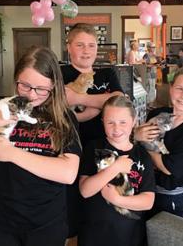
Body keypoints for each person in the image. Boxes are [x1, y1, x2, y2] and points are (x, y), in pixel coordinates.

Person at [0, 46, 82, 246]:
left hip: (45, 222)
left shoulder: (65, 119)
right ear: (16, 81)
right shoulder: (1, 110)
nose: (31, 95)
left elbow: (67, 173)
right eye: (25, 86)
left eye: (41, 89)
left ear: (54, 85)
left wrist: (12, 153)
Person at [61, 22, 124, 242]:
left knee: (103, 198)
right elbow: (60, 110)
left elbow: (120, 102)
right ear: (69, 47)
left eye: (91, 45)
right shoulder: (60, 73)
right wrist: (100, 106)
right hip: (71, 147)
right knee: (73, 200)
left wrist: (78, 99)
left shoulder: (107, 73)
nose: (86, 50)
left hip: (104, 148)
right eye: (80, 45)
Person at [78, 95, 155, 246]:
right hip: (94, 235)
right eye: (110, 122)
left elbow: (148, 201)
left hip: (129, 236)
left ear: (134, 122)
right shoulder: (93, 147)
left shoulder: (142, 156)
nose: (116, 128)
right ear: (103, 122)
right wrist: (115, 168)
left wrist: (117, 200)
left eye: (123, 122)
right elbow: (85, 190)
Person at [134, 65, 183, 218]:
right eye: (179, 88)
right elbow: (134, 150)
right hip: (142, 189)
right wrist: (135, 135)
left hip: (170, 197)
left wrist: (146, 147)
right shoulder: (156, 114)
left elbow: (169, 168)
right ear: (171, 88)